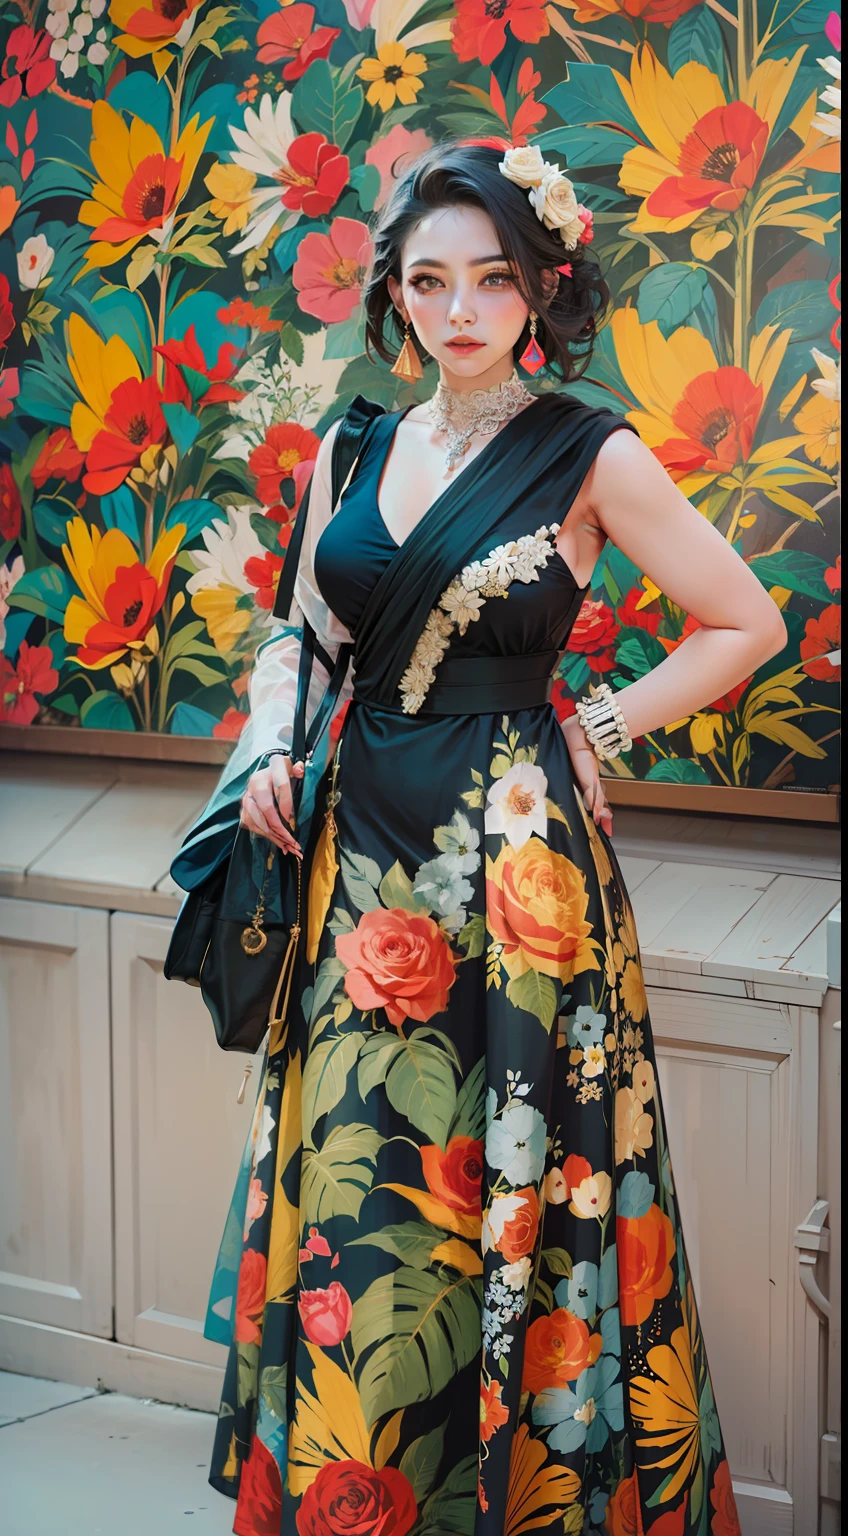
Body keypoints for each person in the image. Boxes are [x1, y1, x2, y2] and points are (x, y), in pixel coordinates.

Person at [200, 139, 783, 1536]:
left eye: (491, 281)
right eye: (428, 282)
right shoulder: (356, 444)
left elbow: (747, 621)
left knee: (527, 1175)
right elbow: (306, 634)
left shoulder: (590, 451)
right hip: (361, 861)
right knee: (365, 1179)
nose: (459, 310)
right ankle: (371, 1489)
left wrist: (603, 726)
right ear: (394, 297)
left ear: (539, 290)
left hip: (519, 871)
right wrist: (277, 746)